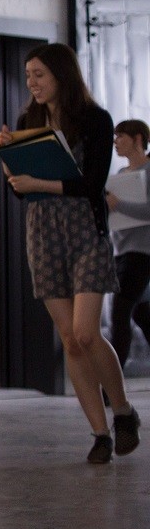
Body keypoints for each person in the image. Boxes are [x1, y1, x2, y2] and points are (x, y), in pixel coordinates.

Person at [0, 45, 139, 463]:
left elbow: (92, 184)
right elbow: (21, 191)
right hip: (42, 233)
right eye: (27, 76)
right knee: (68, 341)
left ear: (61, 73)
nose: (32, 83)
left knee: (85, 333)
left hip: (85, 232)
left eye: (39, 74)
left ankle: (123, 411)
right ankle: (99, 433)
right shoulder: (27, 121)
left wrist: (40, 183)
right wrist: (9, 162)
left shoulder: (95, 119)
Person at [106, 119, 150, 371]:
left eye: (120, 136)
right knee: (141, 314)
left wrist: (117, 205)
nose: (115, 142)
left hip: (141, 254)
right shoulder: (121, 177)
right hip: (121, 253)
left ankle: (112, 387)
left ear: (137, 139)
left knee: (119, 314)